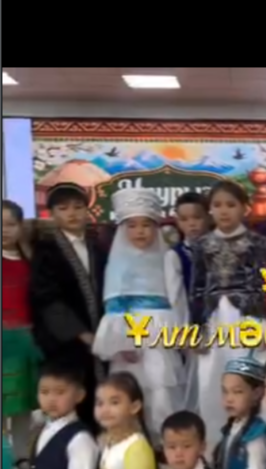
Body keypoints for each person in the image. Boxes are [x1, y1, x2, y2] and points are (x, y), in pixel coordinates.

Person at [92, 188, 185, 439]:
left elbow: (177, 299)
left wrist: (181, 334)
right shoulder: (116, 263)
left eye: (146, 225)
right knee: (128, 391)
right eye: (132, 226)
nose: (140, 231)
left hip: (160, 334)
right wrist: (123, 342)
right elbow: (114, 306)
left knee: (161, 389)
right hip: (128, 338)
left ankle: (165, 444)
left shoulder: (168, 257)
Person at [188, 180, 266, 438]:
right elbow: (197, 288)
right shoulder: (202, 245)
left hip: (247, 318)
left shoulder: (257, 243)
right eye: (217, 205)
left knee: (248, 377)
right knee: (212, 381)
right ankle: (217, 443)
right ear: (210, 209)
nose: (224, 211)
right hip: (213, 320)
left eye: (231, 205)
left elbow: (265, 285)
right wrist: (196, 330)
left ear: (244, 208)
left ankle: (255, 441)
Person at [30, 182, 107, 433]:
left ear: (87, 210)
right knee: (69, 399)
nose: (72, 214)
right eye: (63, 209)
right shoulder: (46, 250)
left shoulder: (97, 247)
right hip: (65, 343)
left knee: (97, 398)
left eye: (77, 207)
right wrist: (81, 333)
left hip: (98, 339)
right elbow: (46, 297)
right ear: (52, 214)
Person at [2, 200, 40, 453]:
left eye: (10, 224)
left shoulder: (31, 260)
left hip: (26, 340)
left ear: (20, 226)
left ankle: (21, 458)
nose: (4, 230)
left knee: (22, 405)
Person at [165, 191, 208, 304]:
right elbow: (174, 295)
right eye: (184, 219)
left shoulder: (221, 248)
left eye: (197, 217)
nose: (191, 223)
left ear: (209, 217)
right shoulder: (174, 255)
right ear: (177, 221)